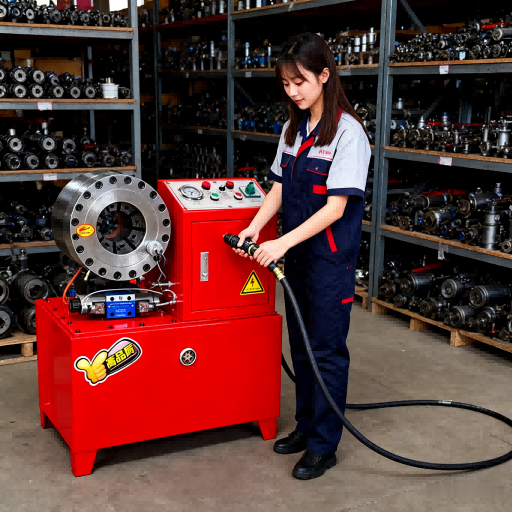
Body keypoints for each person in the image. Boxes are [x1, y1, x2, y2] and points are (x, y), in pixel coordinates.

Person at [233, 32, 370, 480]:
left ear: (324, 76)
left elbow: (335, 208)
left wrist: (281, 243)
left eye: (300, 82)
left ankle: (324, 446)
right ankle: (307, 426)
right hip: (296, 261)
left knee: (326, 351)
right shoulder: (292, 130)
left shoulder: (348, 133)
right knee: (302, 348)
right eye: (286, 84)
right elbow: (278, 187)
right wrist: (256, 226)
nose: (293, 92)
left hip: (328, 263)